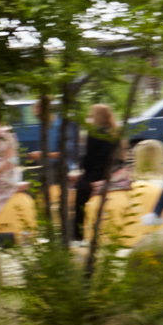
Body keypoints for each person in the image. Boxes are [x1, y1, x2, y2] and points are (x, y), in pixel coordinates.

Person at [72, 101, 120, 240]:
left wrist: (82, 173)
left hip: (95, 175)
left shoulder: (93, 133)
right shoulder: (115, 132)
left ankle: (78, 235)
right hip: (112, 175)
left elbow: (88, 159)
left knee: (79, 198)